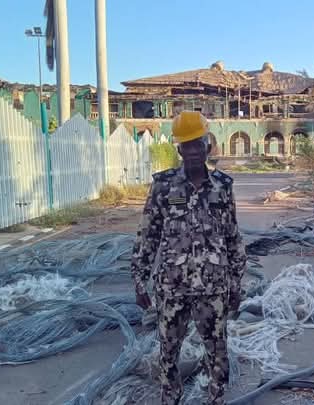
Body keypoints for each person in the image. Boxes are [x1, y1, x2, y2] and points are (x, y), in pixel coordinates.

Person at [130, 111, 246, 404]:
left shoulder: (223, 186)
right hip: (173, 288)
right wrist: (139, 279)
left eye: (198, 144)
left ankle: (216, 399)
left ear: (208, 145)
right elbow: (148, 235)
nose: (193, 151)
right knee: (168, 353)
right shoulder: (163, 186)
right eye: (187, 145)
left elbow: (232, 236)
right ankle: (171, 400)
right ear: (179, 149)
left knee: (217, 352)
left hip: (213, 288)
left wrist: (236, 284)